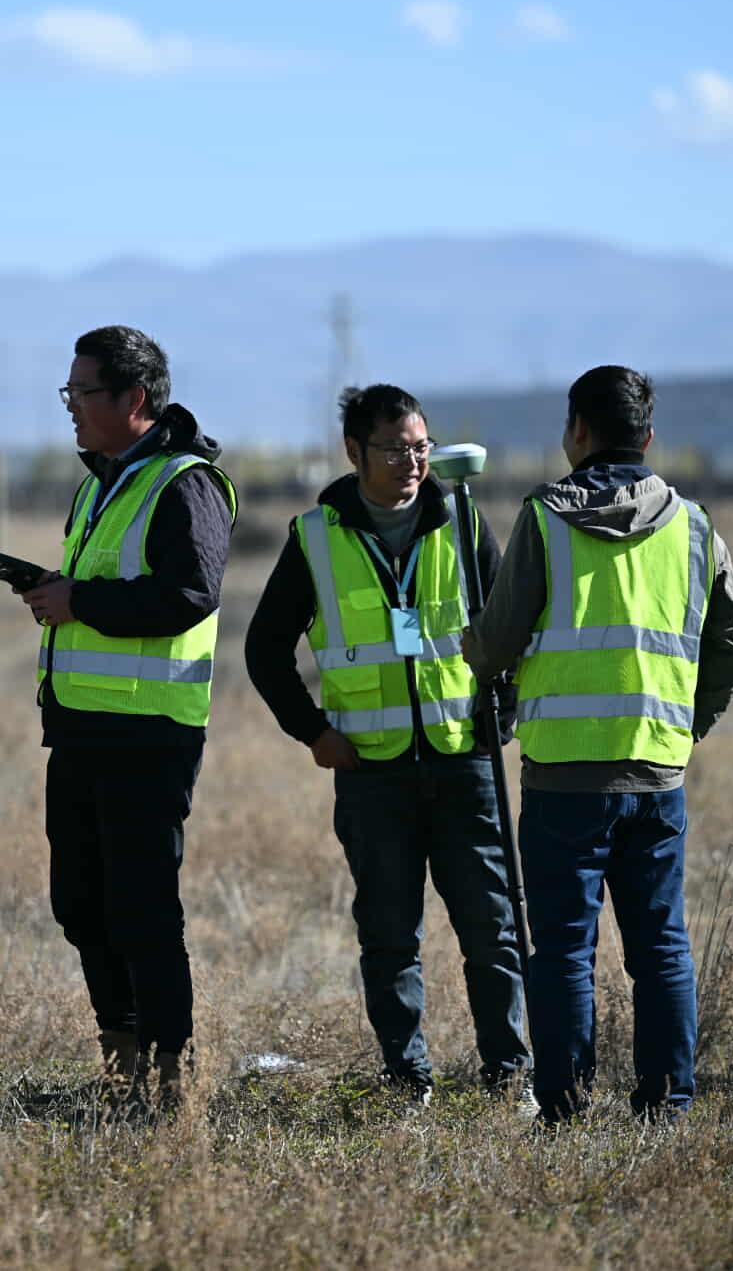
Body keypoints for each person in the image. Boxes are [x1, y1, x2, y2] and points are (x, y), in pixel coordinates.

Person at [463, 365, 733, 1123]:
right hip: (658, 774)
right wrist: (688, 723)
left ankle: (564, 1105)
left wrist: (474, 645)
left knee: (563, 950)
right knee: (661, 946)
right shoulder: (695, 527)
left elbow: (496, 643)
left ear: (577, 432)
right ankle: (668, 1104)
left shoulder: (544, 519)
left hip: (562, 780)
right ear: (649, 437)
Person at [244, 384, 529, 1103]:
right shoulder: (315, 538)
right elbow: (264, 650)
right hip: (372, 774)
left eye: (421, 447)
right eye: (395, 449)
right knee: (389, 936)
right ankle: (408, 1080)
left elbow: (512, 628)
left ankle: (509, 1074)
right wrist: (313, 731)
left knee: (492, 928)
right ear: (354, 451)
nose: (413, 462)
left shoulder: (462, 521)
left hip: (464, 764)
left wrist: (504, 714)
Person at [18, 325, 236, 1113]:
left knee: (142, 908)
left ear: (134, 398)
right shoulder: (99, 483)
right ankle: (122, 1067)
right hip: (81, 726)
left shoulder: (186, 483)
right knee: (80, 903)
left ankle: (173, 1077)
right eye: (69, 391)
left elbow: (190, 593)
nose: (70, 406)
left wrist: (79, 601)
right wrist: (58, 592)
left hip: (150, 733)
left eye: (82, 392)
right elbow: (111, 584)